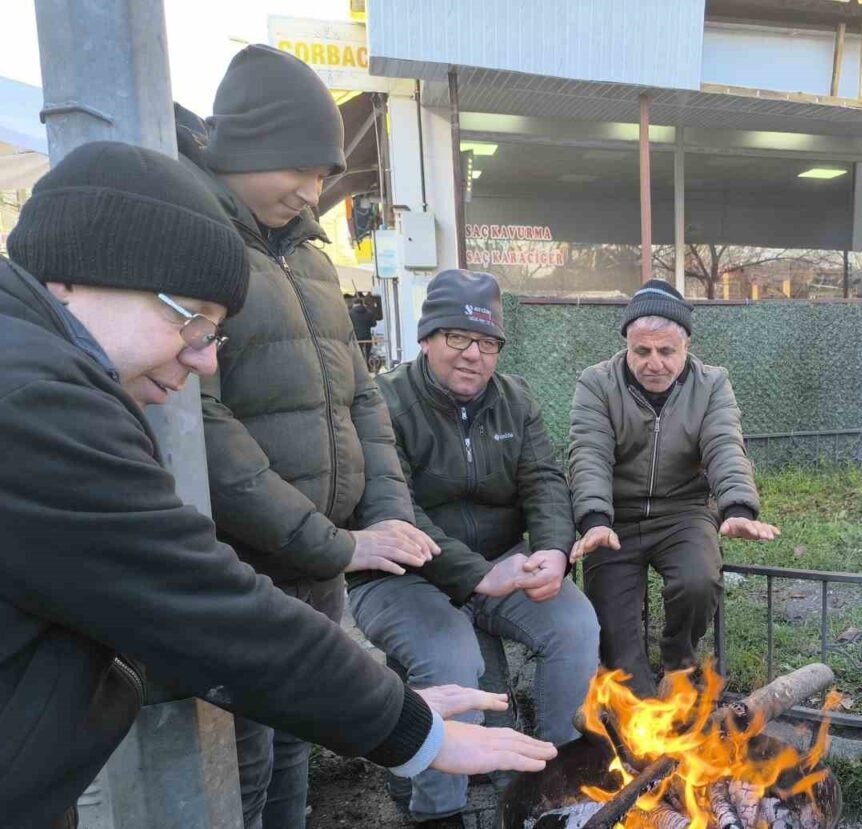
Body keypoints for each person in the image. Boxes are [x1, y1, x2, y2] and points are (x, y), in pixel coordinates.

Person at [0, 141, 555, 829]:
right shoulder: (34, 404)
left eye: (216, 335)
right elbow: (203, 606)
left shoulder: (32, 372)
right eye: (190, 318)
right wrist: (411, 727)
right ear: (74, 277)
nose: (202, 358)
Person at [176, 45, 441, 829]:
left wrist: (386, 514)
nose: (315, 191)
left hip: (319, 565)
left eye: (326, 174)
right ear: (250, 143)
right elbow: (201, 421)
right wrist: (330, 541)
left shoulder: (316, 262)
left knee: (298, 747)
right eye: (304, 168)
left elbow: (361, 399)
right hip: (243, 563)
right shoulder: (195, 238)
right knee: (240, 767)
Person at [348, 269, 600, 827]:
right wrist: (475, 577)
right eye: (457, 338)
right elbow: (391, 510)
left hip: (502, 565)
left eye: (487, 343)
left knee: (576, 627)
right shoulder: (381, 402)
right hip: (399, 574)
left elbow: (544, 481)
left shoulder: (516, 400)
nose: (473, 356)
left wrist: (555, 551)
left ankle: (561, 783)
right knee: (451, 657)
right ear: (426, 339)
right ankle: (440, 811)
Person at [567, 279, 779, 696]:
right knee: (616, 642)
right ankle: (644, 710)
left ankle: (678, 661)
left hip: (683, 512)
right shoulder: (596, 384)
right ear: (627, 345)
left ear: (686, 348)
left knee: (698, 580)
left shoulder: (712, 384)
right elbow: (588, 452)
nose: (654, 363)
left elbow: (724, 444)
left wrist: (737, 508)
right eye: (641, 351)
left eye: (667, 352)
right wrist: (593, 518)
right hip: (616, 520)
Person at [350, 295, 378, 362]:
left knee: (358, 354)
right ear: (362, 303)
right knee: (367, 353)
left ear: (354, 304)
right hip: (367, 336)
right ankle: (368, 364)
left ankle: (362, 366)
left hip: (356, 338)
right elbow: (374, 324)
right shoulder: (369, 313)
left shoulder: (350, 313)